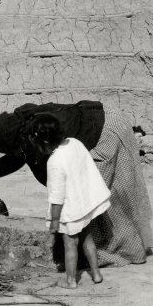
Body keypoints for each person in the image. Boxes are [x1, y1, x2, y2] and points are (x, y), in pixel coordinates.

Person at [0, 100, 153, 267]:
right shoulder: (26, 130)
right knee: (96, 205)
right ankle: (98, 259)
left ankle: (119, 253)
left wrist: (55, 220)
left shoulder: (36, 137)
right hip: (107, 121)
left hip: (103, 133)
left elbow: (53, 190)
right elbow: (10, 162)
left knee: (95, 203)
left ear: (7, 141)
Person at [30, 113, 109, 288]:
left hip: (72, 209)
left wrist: (55, 222)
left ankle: (71, 280)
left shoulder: (54, 162)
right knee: (87, 237)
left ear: (43, 143)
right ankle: (96, 274)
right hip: (84, 203)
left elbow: (57, 198)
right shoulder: (75, 143)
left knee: (70, 243)